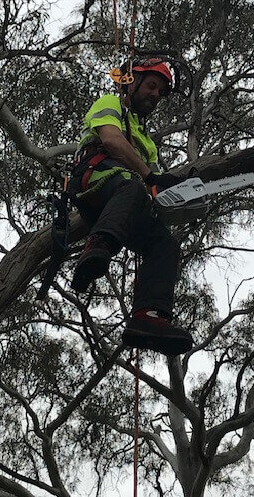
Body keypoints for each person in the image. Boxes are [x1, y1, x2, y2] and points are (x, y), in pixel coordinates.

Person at [68, 58, 194, 356]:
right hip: (96, 180)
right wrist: (150, 177)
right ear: (131, 82)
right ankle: (97, 246)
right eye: (150, 86)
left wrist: (169, 189)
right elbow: (111, 141)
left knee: (164, 244)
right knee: (132, 184)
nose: (154, 95)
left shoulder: (146, 138)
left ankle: (148, 318)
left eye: (160, 93)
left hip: (126, 202)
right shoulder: (110, 103)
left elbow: (148, 184)